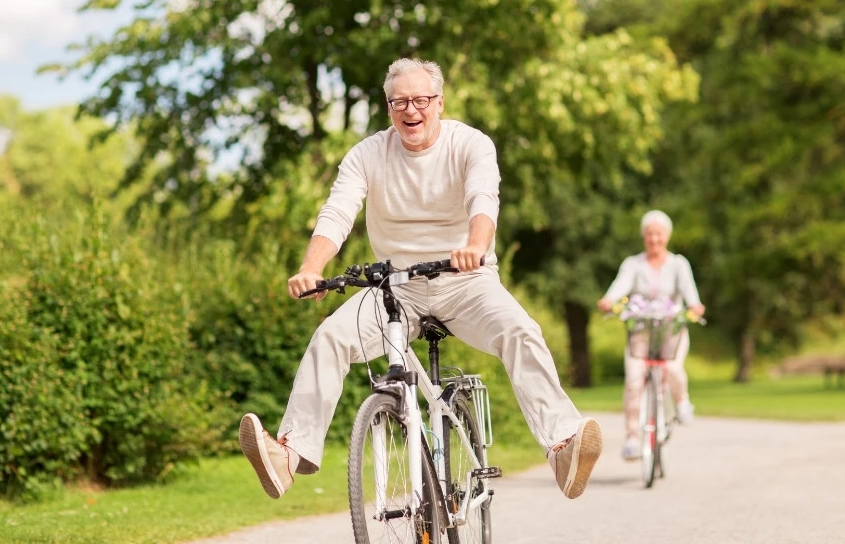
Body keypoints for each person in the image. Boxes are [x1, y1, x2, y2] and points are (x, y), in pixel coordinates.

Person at [239, 57, 603, 501]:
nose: (411, 110)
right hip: (395, 288)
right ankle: (288, 457)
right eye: (399, 103)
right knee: (330, 338)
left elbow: (483, 200)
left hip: (466, 281)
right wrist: (311, 268)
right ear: (388, 108)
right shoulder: (368, 153)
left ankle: (563, 447)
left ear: (439, 102)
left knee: (521, 331)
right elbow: (337, 212)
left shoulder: (470, 144)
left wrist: (475, 245)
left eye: (420, 100)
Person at [596, 209, 705, 461]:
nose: (654, 239)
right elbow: (619, 287)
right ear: (643, 236)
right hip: (641, 332)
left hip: (671, 331)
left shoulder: (679, 264)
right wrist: (609, 300)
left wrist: (695, 306)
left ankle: (682, 402)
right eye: (649, 234)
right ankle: (633, 437)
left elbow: (690, 294)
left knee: (673, 368)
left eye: (658, 234)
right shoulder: (633, 264)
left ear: (666, 236)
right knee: (634, 380)